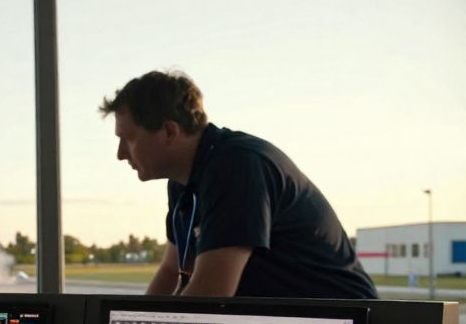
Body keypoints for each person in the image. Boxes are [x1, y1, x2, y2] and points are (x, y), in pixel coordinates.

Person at [99, 70, 377, 299]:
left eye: (129, 138)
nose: (121, 154)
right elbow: (173, 269)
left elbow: (211, 293)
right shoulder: (183, 182)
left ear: (170, 131)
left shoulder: (235, 166)